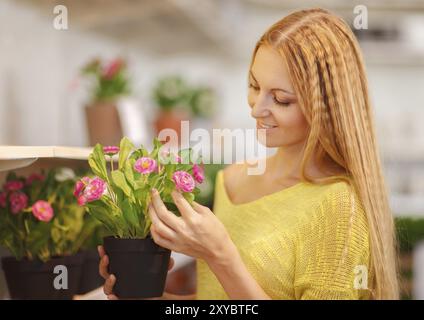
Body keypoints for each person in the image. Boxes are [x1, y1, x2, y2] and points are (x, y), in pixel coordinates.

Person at [98, 8, 399, 300]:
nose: (256, 108)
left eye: (281, 99)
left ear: (326, 110)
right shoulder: (233, 179)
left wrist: (221, 255)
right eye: (254, 85)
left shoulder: (338, 207)